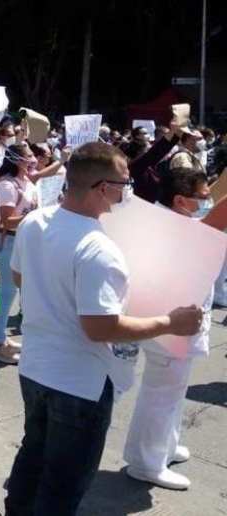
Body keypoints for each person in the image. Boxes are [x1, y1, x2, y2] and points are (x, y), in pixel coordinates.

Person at [3, 142, 203, 515]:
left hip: (35, 369)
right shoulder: (98, 247)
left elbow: (19, 277)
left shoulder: (35, 221)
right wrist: (170, 322)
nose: (128, 189)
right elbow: (101, 327)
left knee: (33, 457)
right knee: (63, 483)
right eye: (124, 182)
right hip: (79, 384)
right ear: (102, 188)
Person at [122, 168, 226, 490]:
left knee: (172, 391)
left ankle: (164, 446)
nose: (207, 201)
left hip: (176, 320)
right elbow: (220, 217)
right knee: (162, 393)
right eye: (202, 197)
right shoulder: (176, 227)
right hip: (170, 325)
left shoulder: (169, 218)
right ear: (180, 200)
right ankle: (146, 462)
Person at [0, 144, 39, 365]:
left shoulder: (26, 182)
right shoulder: (6, 185)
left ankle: (0, 337)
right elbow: (7, 220)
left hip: (22, 240)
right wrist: (38, 215)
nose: (34, 159)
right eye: (29, 156)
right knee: (7, 291)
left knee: (10, 291)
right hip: (7, 240)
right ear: (18, 159)